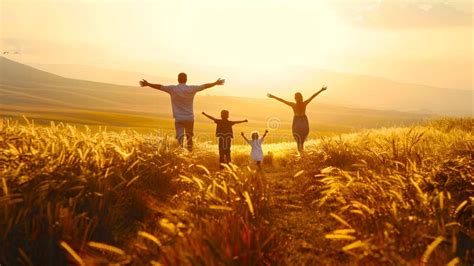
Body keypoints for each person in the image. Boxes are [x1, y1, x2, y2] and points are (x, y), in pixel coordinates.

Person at [139, 73, 225, 151]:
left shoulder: (172, 89)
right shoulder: (191, 89)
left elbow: (160, 86)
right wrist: (215, 83)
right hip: (189, 118)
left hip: (179, 118)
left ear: (178, 79)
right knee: (189, 138)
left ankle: (181, 153)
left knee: (180, 139)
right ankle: (190, 154)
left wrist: (148, 84)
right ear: (186, 79)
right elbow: (204, 86)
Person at [267, 86, 327, 152]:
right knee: (302, 139)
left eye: (295, 97)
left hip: (297, 121)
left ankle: (300, 153)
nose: (294, 98)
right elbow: (313, 96)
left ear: (296, 98)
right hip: (304, 121)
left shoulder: (294, 105)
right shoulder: (304, 103)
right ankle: (302, 152)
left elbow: (282, 100)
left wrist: (273, 96)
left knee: (298, 139)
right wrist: (321, 90)